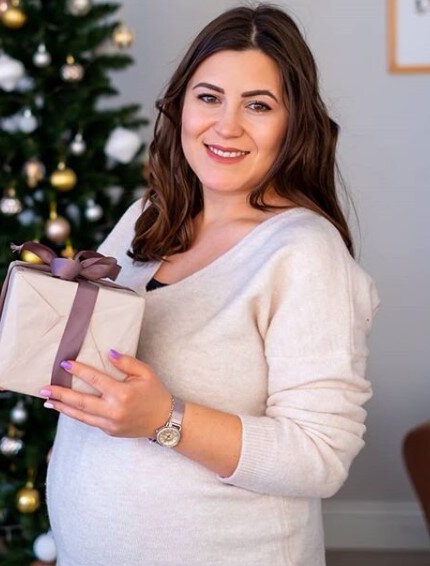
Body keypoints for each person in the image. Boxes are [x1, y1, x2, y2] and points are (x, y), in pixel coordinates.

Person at [44, 4, 381, 565]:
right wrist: (35, 343)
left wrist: (165, 420)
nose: (226, 125)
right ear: (181, 106)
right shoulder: (148, 218)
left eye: (258, 105)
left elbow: (320, 455)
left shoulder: (304, 251)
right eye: (209, 97)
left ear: (294, 123)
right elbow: (96, 361)